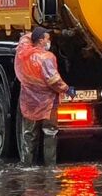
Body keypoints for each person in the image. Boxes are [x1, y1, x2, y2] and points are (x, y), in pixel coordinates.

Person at [13, 25, 70, 165]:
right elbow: (53, 80)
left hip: (29, 102)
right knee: (50, 133)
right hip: (47, 104)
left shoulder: (23, 56)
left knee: (28, 134)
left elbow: (25, 39)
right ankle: (49, 167)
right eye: (47, 38)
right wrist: (67, 89)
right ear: (41, 40)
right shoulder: (46, 58)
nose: (48, 42)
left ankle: (27, 165)